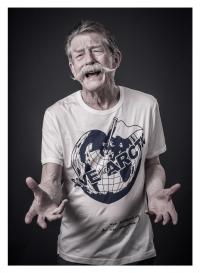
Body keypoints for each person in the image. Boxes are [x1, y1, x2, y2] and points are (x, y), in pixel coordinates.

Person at [25, 20, 181, 265]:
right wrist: (48, 196)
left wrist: (155, 194)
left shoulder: (146, 105)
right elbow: (52, 178)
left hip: (136, 252)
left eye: (96, 50)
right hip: (77, 255)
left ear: (115, 59)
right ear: (73, 68)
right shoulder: (56, 114)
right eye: (79, 55)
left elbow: (152, 164)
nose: (88, 59)